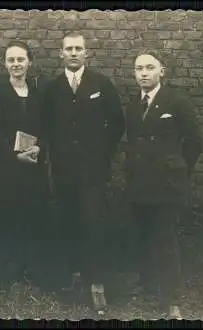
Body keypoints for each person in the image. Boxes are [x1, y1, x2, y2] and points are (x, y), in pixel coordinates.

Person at [41, 31, 125, 314]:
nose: (74, 53)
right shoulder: (52, 89)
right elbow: (46, 127)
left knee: (93, 222)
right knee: (69, 221)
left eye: (79, 48)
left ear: (86, 53)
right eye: (69, 49)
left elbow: (117, 124)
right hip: (64, 171)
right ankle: (74, 277)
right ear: (61, 54)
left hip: (94, 172)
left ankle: (96, 282)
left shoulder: (101, 84)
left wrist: (101, 153)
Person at [125, 49, 203, 319]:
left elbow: (195, 141)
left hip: (168, 186)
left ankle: (171, 300)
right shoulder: (134, 105)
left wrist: (179, 168)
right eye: (139, 68)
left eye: (149, 67)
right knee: (144, 236)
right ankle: (147, 286)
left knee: (165, 240)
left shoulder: (176, 101)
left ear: (162, 71)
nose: (144, 73)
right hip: (140, 184)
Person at [0, 41, 52, 290]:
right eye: (11, 60)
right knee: (4, 216)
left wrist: (39, 146)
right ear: (5, 63)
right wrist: (13, 154)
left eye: (21, 59)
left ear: (29, 61)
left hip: (32, 167)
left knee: (31, 215)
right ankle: (3, 272)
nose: (16, 64)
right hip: (4, 168)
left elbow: (46, 126)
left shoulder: (38, 90)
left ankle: (29, 268)